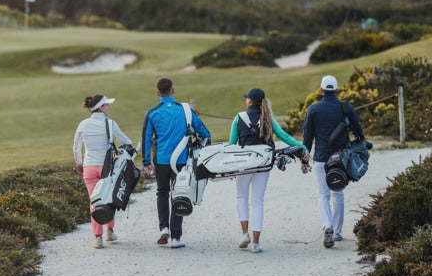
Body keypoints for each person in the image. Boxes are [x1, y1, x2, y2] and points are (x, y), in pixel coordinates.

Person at [228, 88, 309, 254]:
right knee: (258, 202)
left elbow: (231, 144)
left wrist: (229, 166)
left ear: (249, 101)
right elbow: (284, 136)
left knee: (242, 197)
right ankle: (256, 243)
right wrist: (302, 147)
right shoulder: (268, 118)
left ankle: (245, 234)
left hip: (243, 163)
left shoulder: (238, 117)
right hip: (263, 163)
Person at [141, 77, 211, 249]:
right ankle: (176, 237)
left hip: (162, 160)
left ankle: (163, 228)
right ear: (173, 90)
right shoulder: (185, 110)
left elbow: (146, 139)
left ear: (158, 93)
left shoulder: (151, 112)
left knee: (162, 192)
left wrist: (146, 161)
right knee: (179, 194)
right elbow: (205, 133)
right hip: (181, 160)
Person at [302, 75, 365, 248]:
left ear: (321, 90)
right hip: (341, 160)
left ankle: (326, 225)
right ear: (336, 90)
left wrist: (304, 159)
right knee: (338, 194)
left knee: (323, 195)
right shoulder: (345, 107)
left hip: (321, 159)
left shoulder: (313, 109)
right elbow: (358, 131)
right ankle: (336, 232)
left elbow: (307, 137)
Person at [73, 94, 133, 249]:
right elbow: (126, 141)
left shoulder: (83, 124)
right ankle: (110, 231)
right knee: (109, 199)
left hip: (89, 167)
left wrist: (80, 164)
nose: (108, 107)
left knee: (94, 202)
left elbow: (76, 148)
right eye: (106, 105)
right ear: (100, 107)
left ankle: (97, 238)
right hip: (107, 167)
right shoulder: (110, 123)